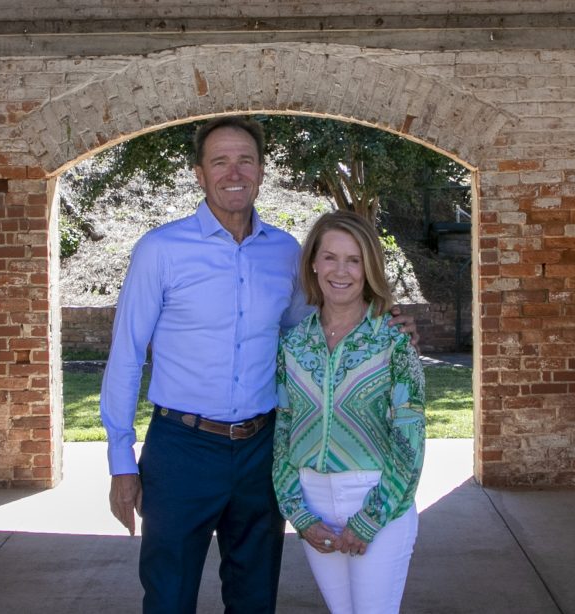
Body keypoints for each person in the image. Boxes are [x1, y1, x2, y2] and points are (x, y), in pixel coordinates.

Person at [100, 116, 418, 613]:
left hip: (260, 450)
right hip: (182, 447)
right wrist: (121, 460)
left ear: (261, 171)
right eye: (220, 161)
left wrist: (387, 321)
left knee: (253, 599)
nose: (234, 172)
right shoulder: (161, 251)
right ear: (199, 173)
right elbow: (125, 357)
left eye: (245, 160)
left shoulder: (286, 253)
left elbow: (311, 330)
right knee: (168, 597)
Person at [273, 210, 426, 614]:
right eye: (329, 257)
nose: (340, 271)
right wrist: (298, 514)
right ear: (313, 264)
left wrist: (370, 518)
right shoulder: (293, 344)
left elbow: (410, 442)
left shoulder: (392, 341)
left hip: (378, 499)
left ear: (369, 267)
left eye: (353, 260)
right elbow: (282, 433)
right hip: (313, 503)